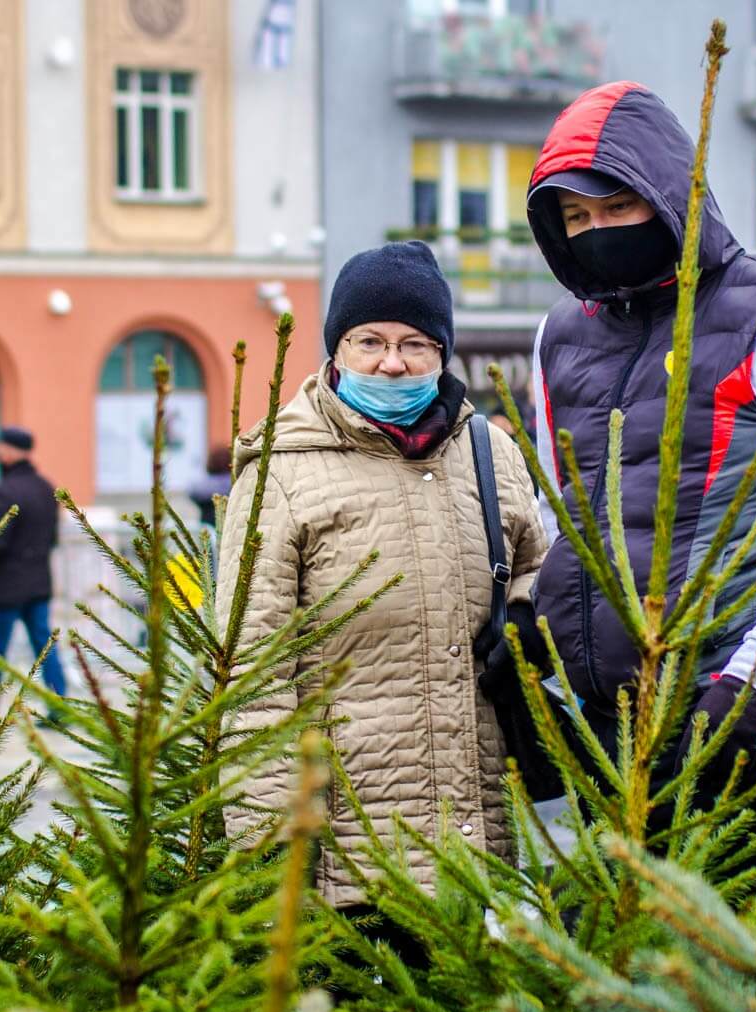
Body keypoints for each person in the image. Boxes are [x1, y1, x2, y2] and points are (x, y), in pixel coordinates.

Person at [521, 81, 756, 848]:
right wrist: (542, 635)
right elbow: (564, 512)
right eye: (575, 218)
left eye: (617, 207)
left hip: (747, 715)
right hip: (609, 726)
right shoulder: (559, 336)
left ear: (667, 193)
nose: (596, 231)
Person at [219, 240, 548, 952]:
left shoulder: (490, 453)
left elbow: (542, 571)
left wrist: (525, 614)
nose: (392, 362)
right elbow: (254, 675)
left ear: (443, 354)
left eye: (414, 344)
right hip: (348, 857)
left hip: (486, 841)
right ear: (337, 351)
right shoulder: (282, 472)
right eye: (368, 341)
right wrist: (268, 852)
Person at [0, 426, 66, 726]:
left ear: (8, 451)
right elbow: (52, 538)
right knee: (45, 647)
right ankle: (60, 708)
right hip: (38, 583)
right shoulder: (46, 487)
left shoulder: (5, 491)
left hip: (7, 587)